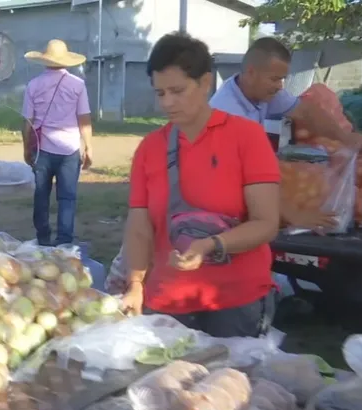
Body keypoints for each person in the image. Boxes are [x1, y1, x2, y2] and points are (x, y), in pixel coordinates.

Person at [120, 33, 281, 338]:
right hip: (168, 300)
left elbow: (266, 223)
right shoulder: (149, 149)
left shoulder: (246, 137)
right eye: (160, 93)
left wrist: (212, 245)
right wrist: (135, 285)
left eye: (177, 91)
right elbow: (139, 225)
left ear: (205, 82)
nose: (167, 102)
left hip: (235, 302)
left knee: (229, 383)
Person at [210, 37, 362, 230]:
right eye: (275, 79)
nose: (280, 86)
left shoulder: (259, 91)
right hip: (221, 205)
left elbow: (305, 111)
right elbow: (244, 178)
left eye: (282, 79)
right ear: (251, 73)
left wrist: (345, 138)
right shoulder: (228, 114)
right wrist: (293, 214)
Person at [22, 39, 93, 246]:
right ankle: (64, 241)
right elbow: (84, 119)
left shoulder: (33, 85)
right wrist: (88, 147)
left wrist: (27, 148)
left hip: (42, 148)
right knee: (67, 197)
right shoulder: (78, 85)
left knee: (41, 194)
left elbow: (27, 122)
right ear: (66, 61)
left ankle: (43, 238)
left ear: (45, 60)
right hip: (70, 149)